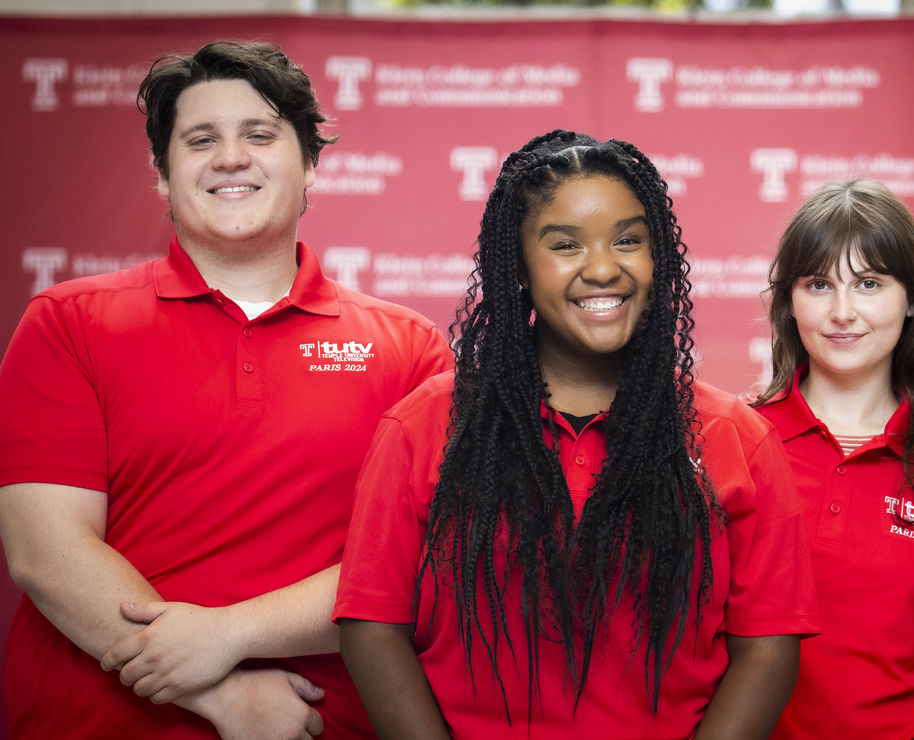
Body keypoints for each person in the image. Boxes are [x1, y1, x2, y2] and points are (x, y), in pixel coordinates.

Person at [0, 40, 453, 739]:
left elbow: (417, 562)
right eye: (201, 139)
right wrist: (222, 697)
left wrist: (230, 636)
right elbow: (43, 546)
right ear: (161, 174)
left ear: (309, 166)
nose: (231, 157)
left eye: (260, 135)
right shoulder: (68, 322)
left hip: (316, 725)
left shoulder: (409, 347)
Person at [333, 130, 819, 739]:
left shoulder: (734, 439)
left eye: (628, 240)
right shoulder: (424, 426)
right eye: (565, 245)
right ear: (517, 268)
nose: (602, 268)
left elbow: (768, 648)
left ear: (657, 257)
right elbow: (373, 626)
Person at [752, 179, 914, 740]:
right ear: (788, 302)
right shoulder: (735, 443)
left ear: (912, 299)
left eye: (868, 283)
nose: (843, 312)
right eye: (818, 284)